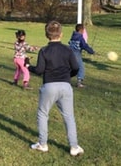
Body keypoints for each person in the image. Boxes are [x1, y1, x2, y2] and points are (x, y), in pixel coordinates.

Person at [27, 21, 84, 156]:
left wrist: (29, 67)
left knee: (42, 114)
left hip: (49, 86)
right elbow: (76, 67)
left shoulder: (44, 50)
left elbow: (40, 70)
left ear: (47, 35)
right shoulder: (68, 49)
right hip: (66, 86)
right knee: (69, 117)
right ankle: (74, 147)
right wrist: (68, 76)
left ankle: (43, 144)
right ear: (61, 34)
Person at [68, 23, 95, 88]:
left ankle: (64, 78)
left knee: (71, 67)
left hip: (69, 53)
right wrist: (91, 51)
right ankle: (79, 83)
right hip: (76, 53)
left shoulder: (73, 35)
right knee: (81, 67)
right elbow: (84, 46)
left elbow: (70, 42)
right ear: (81, 30)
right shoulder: (80, 37)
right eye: (83, 29)